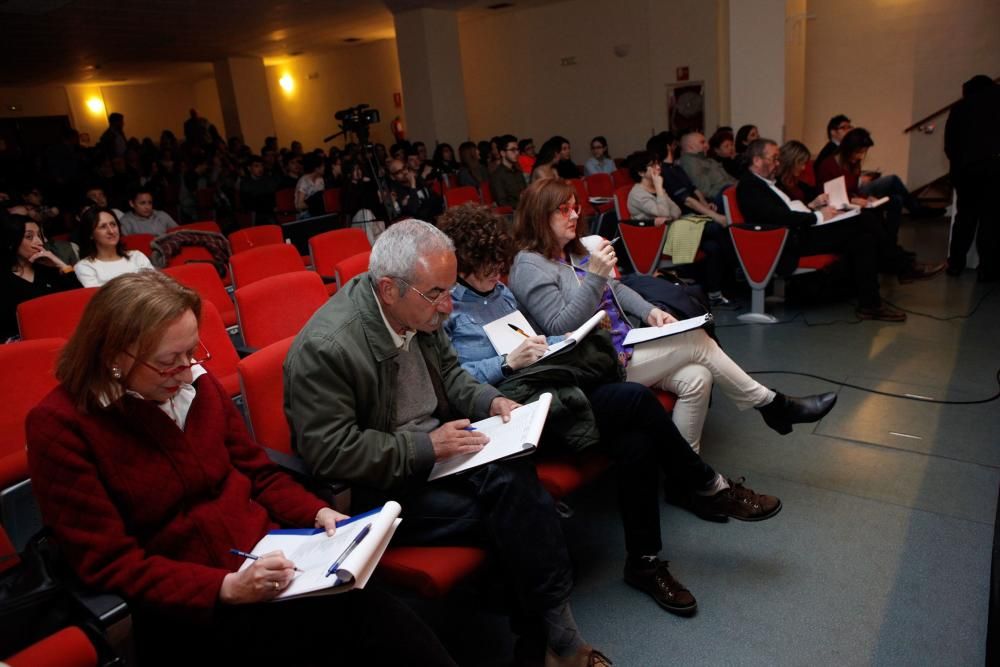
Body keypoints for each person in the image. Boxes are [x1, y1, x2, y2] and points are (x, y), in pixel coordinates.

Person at [24, 271, 455, 667]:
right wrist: (225, 588)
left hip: (275, 565)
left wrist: (315, 513)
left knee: (390, 628)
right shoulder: (62, 427)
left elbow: (258, 472)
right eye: (170, 359)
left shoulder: (195, 383)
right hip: (193, 606)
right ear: (114, 357)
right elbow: (109, 562)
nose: (187, 370)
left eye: (192, 352)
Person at [284, 219, 610, 667]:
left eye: (449, 289)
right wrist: (427, 447)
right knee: (518, 510)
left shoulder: (418, 309)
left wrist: (491, 400)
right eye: (436, 294)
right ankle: (557, 643)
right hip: (381, 487)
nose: (448, 307)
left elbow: (454, 378)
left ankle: (544, 643)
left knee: (515, 492)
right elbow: (331, 453)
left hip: (437, 456)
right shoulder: (328, 348)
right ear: (388, 289)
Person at [439, 203, 782, 615]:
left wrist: (551, 345)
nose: (495, 273)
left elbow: (535, 336)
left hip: (550, 392)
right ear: (461, 265)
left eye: (499, 263)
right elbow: (451, 379)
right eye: (485, 267)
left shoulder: (501, 292)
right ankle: (708, 485)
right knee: (634, 400)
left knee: (635, 442)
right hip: (511, 414)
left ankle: (645, 562)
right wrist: (508, 362)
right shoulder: (448, 308)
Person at [508, 178, 837, 453]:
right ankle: (772, 405)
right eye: (563, 209)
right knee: (696, 340)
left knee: (698, 377)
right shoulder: (529, 265)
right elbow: (557, 326)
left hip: (624, 346)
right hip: (593, 365)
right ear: (540, 216)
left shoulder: (574, 248)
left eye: (575, 207)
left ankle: (686, 473)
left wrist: (650, 311)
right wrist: (595, 276)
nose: (574, 215)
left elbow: (616, 290)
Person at [737, 138, 944, 322]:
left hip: (802, 230)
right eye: (773, 159)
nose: (777, 164)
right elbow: (776, 217)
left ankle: (870, 305)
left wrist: (813, 207)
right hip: (789, 241)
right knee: (863, 219)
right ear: (757, 161)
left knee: (863, 239)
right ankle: (902, 265)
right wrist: (817, 216)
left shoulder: (769, 183)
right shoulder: (749, 186)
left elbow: (789, 209)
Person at [625, 151, 734, 307]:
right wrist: (660, 190)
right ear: (641, 172)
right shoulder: (638, 193)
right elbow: (664, 212)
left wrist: (665, 210)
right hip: (655, 240)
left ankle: (714, 294)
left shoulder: (658, 190)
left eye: (658, 164)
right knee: (716, 229)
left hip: (673, 232)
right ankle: (739, 270)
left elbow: (676, 211)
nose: (658, 168)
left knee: (713, 247)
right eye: (652, 165)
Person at [944, 74, 1000, 280]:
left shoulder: (960, 108)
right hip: (995, 170)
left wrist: (959, 165)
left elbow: (949, 145)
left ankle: (956, 264)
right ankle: (987, 269)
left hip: (966, 172)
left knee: (964, 219)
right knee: (991, 221)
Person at [1, 214, 79, 340]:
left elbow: (78, 300)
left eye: (39, 235)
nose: (39, 242)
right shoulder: (4, 280)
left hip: (62, 337)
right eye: (29, 237)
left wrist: (61, 264)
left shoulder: (48, 272)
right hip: (25, 345)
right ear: (12, 240)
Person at [73, 207, 154, 287]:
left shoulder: (136, 256)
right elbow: (101, 298)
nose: (111, 231)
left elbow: (155, 286)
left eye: (113, 225)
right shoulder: (85, 266)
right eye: (103, 227)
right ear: (91, 234)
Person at [677, 132, 736, 207]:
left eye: (706, 142)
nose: (707, 145)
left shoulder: (709, 160)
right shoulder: (689, 162)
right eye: (702, 142)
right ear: (690, 146)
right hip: (719, 197)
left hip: (729, 191)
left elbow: (729, 178)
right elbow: (704, 191)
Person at [489, 134, 527, 208]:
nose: (517, 153)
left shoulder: (518, 171)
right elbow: (502, 203)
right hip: (512, 214)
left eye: (517, 149)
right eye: (513, 150)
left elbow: (525, 193)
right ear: (503, 153)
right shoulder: (497, 176)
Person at [294, 152, 326, 218]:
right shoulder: (304, 181)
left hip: (317, 213)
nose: (324, 167)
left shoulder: (320, 180)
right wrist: (313, 204)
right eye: (322, 166)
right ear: (316, 168)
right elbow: (299, 205)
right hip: (305, 214)